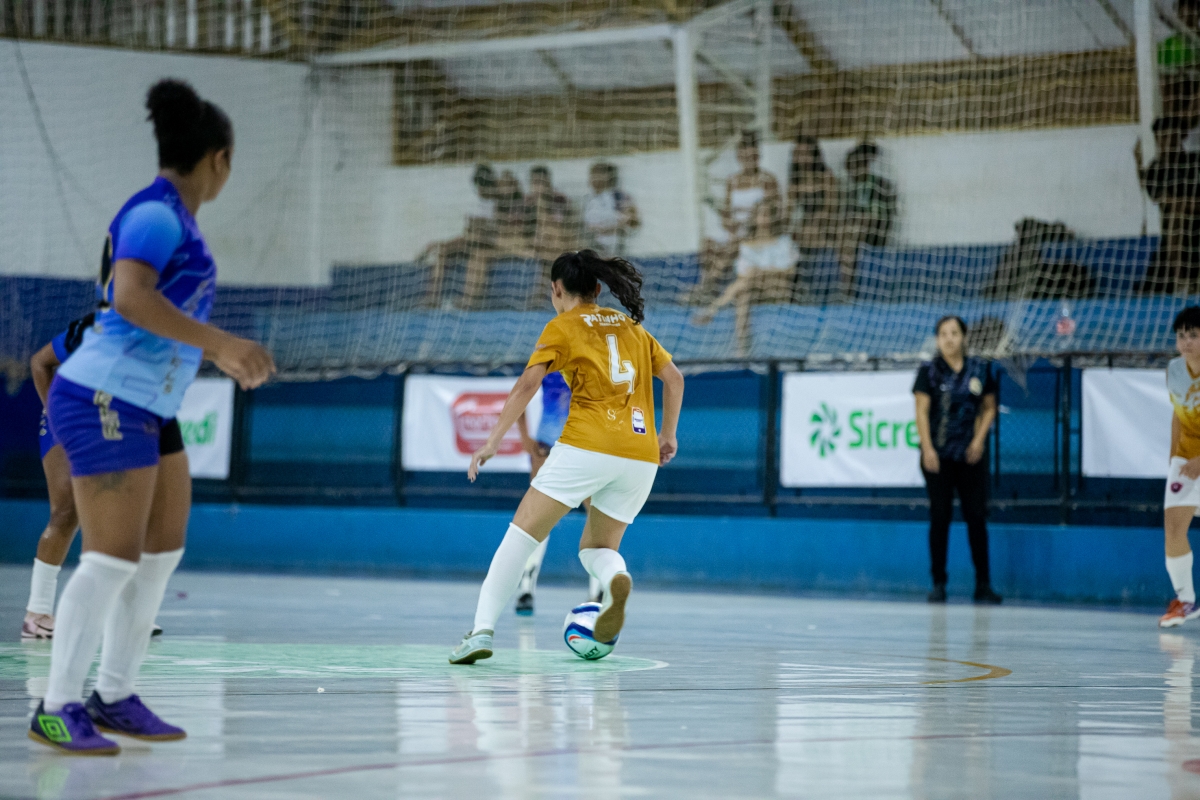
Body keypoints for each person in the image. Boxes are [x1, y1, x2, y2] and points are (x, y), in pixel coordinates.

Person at [29, 78, 275, 756]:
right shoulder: (156, 215)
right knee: (110, 559)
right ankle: (56, 706)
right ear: (220, 159)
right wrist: (221, 344)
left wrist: (210, 348)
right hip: (105, 396)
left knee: (161, 553)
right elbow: (130, 297)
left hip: (149, 405)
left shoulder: (176, 219)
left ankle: (114, 695)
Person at [449, 250, 685, 664]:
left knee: (520, 538)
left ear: (556, 289)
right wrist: (667, 435)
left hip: (587, 445)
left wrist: (492, 441)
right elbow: (674, 378)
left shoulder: (562, 326)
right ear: (597, 288)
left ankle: (481, 631)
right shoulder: (631, 326)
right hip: (640, 453)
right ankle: (616, 578)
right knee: (596, 548)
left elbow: (527, 384)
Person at [22, 313, 176, 641]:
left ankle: (127, 612)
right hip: (68, 416)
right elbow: (39, 362)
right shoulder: (91, 330)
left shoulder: (156, 341)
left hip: (111, 419)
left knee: (129, 515)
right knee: (66, 512)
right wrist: (55, 413)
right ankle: (37, 613)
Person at [912, 316, 1001, 605]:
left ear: (964, 337)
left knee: (976, 517)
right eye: (943, 334)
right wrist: (927, 449)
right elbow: (921, 411)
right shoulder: (929, 372)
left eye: (954, 333)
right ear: (937, 339)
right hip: (938, 457)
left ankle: (983, 585)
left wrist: (978, 441)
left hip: (970, 456)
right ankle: (938, 583)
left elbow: (989, 408)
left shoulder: (979, 369)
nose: (948, 339)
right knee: (940, 517)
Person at [511, 372, 603, 615]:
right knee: (538, 519)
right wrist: (524, 437)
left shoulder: (594, 359)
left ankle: (597, 590)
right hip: (551, 447)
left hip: (580, 447)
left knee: (596, 517)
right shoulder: (550, 357)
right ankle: (526, 588)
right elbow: (521, 390)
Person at [692, 199, 797, 357]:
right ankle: (743, 349)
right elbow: (742, 274)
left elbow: (790, 271)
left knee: (748, 280)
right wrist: (758, 274)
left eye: (768, 214)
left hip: (778, 289)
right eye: (761, 214)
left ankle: (713, 308)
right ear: (755, 217)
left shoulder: (783, 242)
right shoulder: (747, 245)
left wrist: (761, 272)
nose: (765, 218)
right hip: (754, 289)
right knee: (743, 296)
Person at [689, 130, 782, 305]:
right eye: (744, 157)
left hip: (756, 232)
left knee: (734, 245)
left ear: (758, 156)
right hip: (735, 230)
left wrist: (750, 224)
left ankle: (706, 288)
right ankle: (711, 288)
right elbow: (727, 211)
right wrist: (728, 222)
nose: (748, 161)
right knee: (708, 244)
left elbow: (775, 212)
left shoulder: (768, 180)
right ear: (739, 157)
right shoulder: (732, 180)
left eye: (752, 157)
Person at [1159, 306, 1200, 627]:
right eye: (1181, 335)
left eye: (1194, 335)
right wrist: (1174, 456)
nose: (1186, 341)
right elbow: (1177, 413)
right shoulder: (1173, 369)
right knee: (1173, 528)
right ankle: (1186, 601)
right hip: (1186, 459)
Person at [420, 164, 499, 308]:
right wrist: (442, 244)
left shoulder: (498, 205)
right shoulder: (474, 205)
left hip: (487, 245)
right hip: (471, 242)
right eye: (478, 185)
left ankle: (469, 299)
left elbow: (493, 234)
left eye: (483, 185)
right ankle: (432, 297)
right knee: (442, 252)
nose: (480, 189)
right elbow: (468, 234)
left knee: (478, 256)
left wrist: (477, 234)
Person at [1137, 117, 1200, 295]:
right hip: (1176, 235)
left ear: (1181, 136)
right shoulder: (1155, 170)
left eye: (1173, 136)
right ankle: (1181, 283)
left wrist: (1184, 204)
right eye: (1164, 137)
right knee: (1176, 217)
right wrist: (1188, 204)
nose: (1169, 141)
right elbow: (1167, 202)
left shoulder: (1195, 162)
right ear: (1157, 139)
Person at [838, 141, 896, 297]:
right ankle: (847, 287)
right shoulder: (850, 190)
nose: (851, 172)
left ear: (864, 165)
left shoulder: (881, 185)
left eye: (854, 167)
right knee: (847, 236)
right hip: (853, 233)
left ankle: (847, 289)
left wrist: (858, 219)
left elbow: (880, 216)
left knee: (853, 228)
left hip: (876, 233)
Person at [583, 162, 639, 256]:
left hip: (616, 248)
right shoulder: (588, 199)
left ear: (608, 177)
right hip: (594, 248)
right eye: (592, 175)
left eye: (598, 174)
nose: (593, 178)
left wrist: (607, 230)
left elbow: (632, 221)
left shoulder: (619, 197)